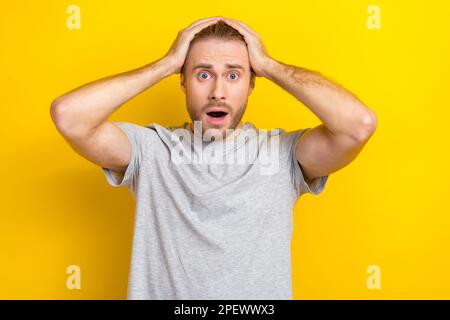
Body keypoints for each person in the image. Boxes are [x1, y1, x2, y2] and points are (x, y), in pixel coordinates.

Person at [50, 16, 377, 299]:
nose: (218, 91)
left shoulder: (283, 155)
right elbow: (69, 116)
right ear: (182, 81)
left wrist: (269, 65)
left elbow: (358, 125)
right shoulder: (152, 150)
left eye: (234, 75)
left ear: (251, 85)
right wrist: (164, 64)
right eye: (203, 74)